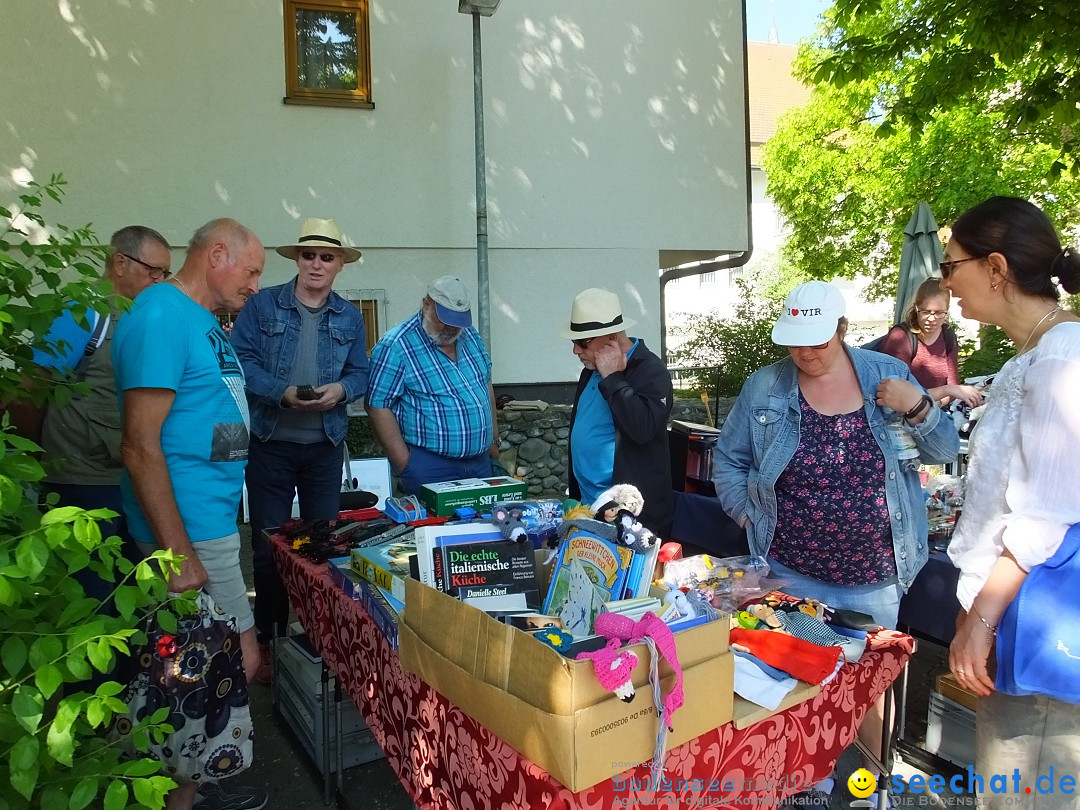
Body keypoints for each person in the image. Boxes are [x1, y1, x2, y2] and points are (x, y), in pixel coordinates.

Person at [713, 280, 958, 800]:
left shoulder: (887, 374)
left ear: (843, 331)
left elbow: (942, 449)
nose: (805, 353)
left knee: (869, 692)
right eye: (795, 342)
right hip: (789, 569)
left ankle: (872, 788)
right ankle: (810, 786)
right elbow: (729, 460)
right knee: (797, 686)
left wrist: (916, 404)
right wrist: (746, 515)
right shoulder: (766, 387)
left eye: (818, 342)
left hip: (874, 574)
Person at [113, 218, 267, 810]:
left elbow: (207, 416)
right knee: (213, 668)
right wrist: (176, 552)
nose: (256, 284)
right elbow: (139, 444)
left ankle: (190, 786)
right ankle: (179, 794)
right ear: (218, 254)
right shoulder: (160, 314)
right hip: (190, 535)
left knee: (204, 670)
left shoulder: (205, 322)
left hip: (212, 523)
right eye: (251, 271)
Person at [942, 197, 1080, 807]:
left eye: (953, 267)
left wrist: (982, 619)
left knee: (1024, 793)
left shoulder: (1060, 359)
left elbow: (1045, 513)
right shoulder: (1035, 355)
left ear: (995, 268)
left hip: (1034, 617)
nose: (947, 284)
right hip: (1015, 609)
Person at [231, 217, 369, 683]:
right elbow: (239, 362)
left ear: (338, 266)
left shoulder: (349, 316)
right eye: (308, 255)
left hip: (325, 447)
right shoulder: (262, 304)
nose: (316, 263)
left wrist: (341, 391)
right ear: (296, 259)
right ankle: (270, 642)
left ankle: (318, 640)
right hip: (271, 443)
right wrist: (280, 393)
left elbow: (361, 373)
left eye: (326, 257)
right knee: (269, 549)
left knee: (322, 548)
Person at [10, 226, 171, 587]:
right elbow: (27, 391)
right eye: (153, 270)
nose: (160, 281)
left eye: (165, 273)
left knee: (135, 588)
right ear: (119, 262)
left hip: (129, 476)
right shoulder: (82, 311)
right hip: (79, 479)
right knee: (87, 587)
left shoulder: (143, 315)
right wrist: (39, 455)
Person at [366, 276, 498, 495]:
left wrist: (494, 441)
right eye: (445, 318)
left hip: (480, 463)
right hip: (430, 466)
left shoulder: (470, 335)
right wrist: (404, 464)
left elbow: (485, 383)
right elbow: (377, 405)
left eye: (458, 320)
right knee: (432, 529)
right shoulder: (396, 345)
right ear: (426, 305)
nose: (451, 327)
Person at [561, 288, 674, 536]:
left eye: (582, 342)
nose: (576, 351)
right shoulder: (590, 370)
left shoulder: (651, 370)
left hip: (629, 516)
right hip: (590, 508)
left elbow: (642, 429)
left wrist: (613, 377)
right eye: (574, 342)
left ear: (610, 337)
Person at [875, 277, 984, 407]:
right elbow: (895, 393)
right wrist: (945, 391)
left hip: (936, 411)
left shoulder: (948, 335)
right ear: (916, 308)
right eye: (926, 312)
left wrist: (934, 405)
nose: (932, 319)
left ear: (947, 310)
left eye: (939, 313)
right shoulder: (900, 337)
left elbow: (953, 386)